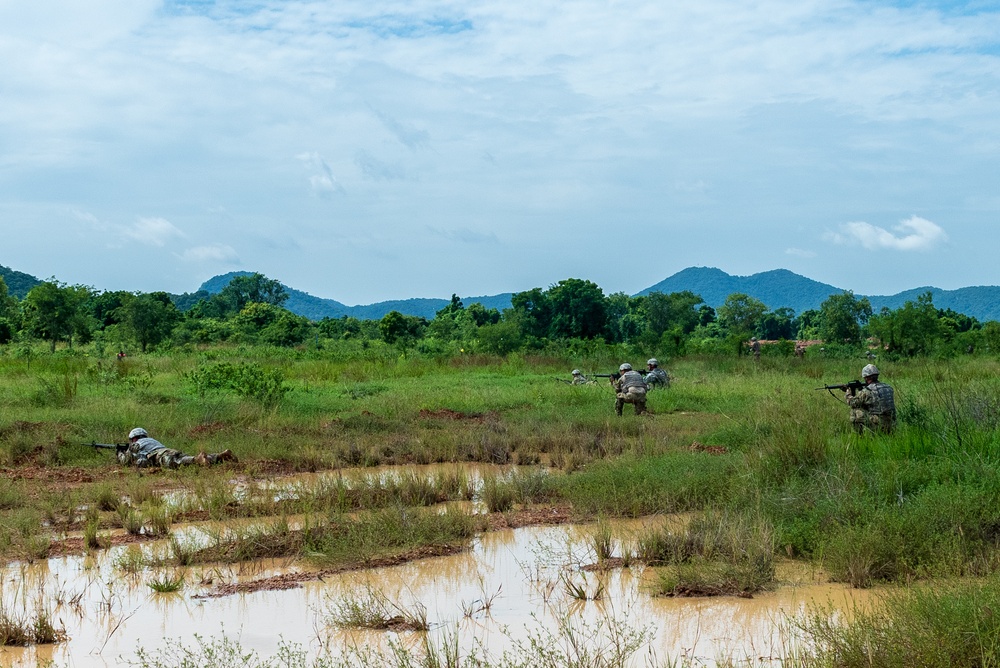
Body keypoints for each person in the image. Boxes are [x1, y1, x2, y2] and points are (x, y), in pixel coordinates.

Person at [118, 427, 237, 468]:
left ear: (134, 438)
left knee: (179, 462)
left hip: (160, 455)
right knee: (184, 458)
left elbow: (126, 460)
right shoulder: (152, 440)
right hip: (168, 450)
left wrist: (119, 453)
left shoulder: (137, 443)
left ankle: (198, 460)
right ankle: (219, 456)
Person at [844, 364, 896, 435]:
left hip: (879, 424)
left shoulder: (867, 391)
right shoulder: (888, 387)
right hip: (892, 423)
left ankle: (860, 436)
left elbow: (852, 403)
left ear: (866, 378)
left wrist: (848, 392)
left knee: (855, 411)